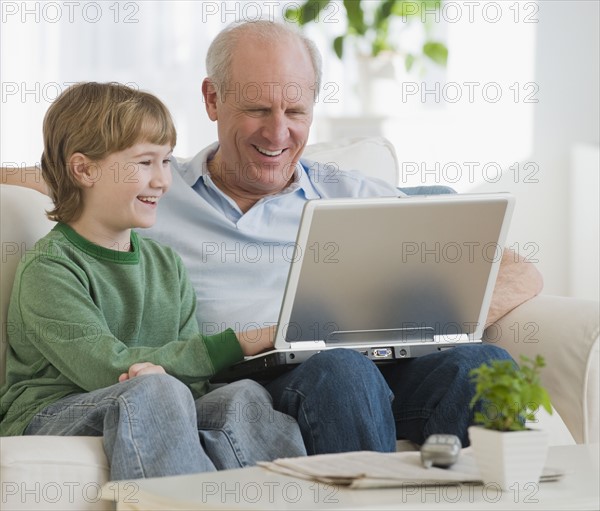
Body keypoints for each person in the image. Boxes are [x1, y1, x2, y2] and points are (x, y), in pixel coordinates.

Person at [2, 21, 515, 450]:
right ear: (212, 99)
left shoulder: (353, 193)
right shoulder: (154, 187)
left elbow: (515, 267)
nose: (277, 134)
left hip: (370, 366)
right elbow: (68, 172)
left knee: (484, 363)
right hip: (252, 379)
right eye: (257, 110)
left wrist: (428, 324)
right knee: (340, 370)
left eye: (295, 113)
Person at [0, 81, 308, 481]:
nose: (163, 181)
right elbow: (105, 368)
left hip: (153, 395)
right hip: (54, 411)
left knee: (244, 395)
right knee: (155, 390)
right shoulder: (50, 268)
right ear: (84, 169)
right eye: (145, 163)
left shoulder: (166, 264)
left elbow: (192, 380)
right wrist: (238, 342)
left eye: (165, 162)